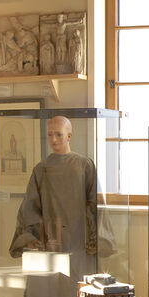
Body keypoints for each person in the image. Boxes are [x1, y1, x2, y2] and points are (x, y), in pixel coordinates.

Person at [9, 115, 99, 280]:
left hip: (78, 241)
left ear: (69, 136)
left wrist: (93, 238)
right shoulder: (41, 169)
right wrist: (33, 238)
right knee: (50, 287)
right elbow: (30, 206)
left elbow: (93, 204)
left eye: (58, 134)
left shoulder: (84, 166)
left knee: (77, 285)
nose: (53, 139)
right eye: (50, 134)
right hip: (48, 242)